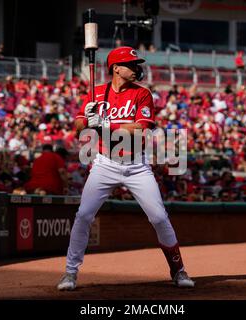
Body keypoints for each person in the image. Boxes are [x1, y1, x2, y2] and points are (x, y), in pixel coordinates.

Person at [57, 46, 195, 291]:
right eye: (131, 65)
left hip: (136, 165)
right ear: (116, 69)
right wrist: (86, 121)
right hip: (104, 163)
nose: (136, 68)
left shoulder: (142, 94)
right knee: (84, 215)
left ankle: (178, 270)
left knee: (159, 217)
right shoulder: (96, 93)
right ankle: (70, 273)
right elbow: (79, 126)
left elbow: (142, 128)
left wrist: (104, 126)